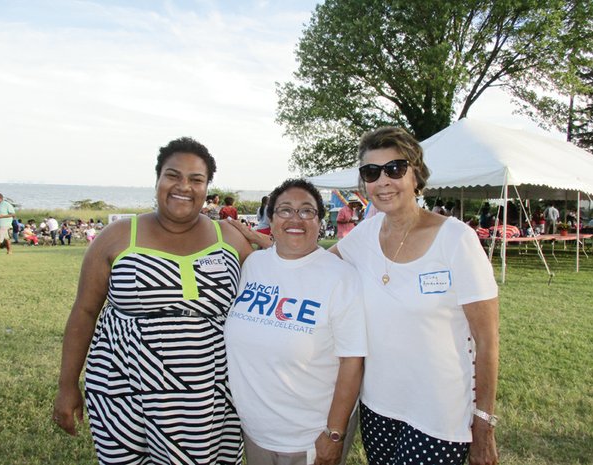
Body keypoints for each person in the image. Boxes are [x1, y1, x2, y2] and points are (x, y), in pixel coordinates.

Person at [53, 136, 254, 465]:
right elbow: (85, 312)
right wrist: (67, 385)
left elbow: (268, 291)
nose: (183, 186)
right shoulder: (117, 236)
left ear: (208, 187)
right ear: (158, 179)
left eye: (196, 179)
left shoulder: (229, 237)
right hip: (122, 389)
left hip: (207, 397)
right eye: (173, 175)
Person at [332, 127, 499, 465]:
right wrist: (249, 240)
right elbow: (314, 264)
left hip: (439, 415)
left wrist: (484, 424)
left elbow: (487, 340)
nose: (383, 181)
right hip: (377, 407)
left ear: (416, 175)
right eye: (371, 172)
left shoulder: (456, 240)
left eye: (395, 169)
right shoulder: (363, 235)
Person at [225, 179, 366, 465]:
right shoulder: (253, 265)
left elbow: (352, 362)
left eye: (306, 211)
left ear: (320, 220)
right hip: (255, 431)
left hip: (309, 436)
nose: (295, 219)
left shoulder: (341, 277)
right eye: (285, 210)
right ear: (271, 218)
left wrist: (333, 433)